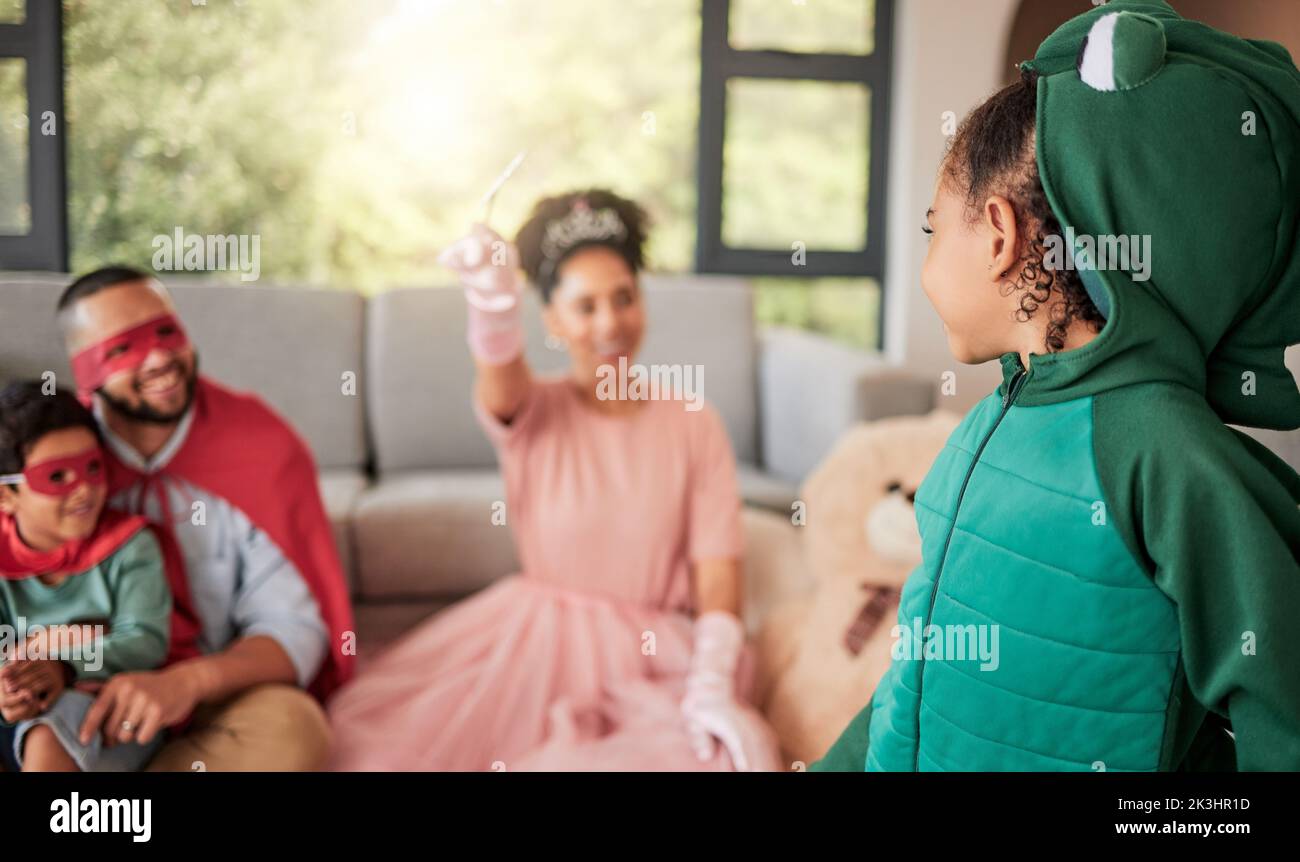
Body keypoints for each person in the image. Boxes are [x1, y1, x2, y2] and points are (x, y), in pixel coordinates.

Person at [815, 0, 1300, 771]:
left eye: (932, 229)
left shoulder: (1160, 452)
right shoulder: (986, 424)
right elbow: (921, 666)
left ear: (1000, 235)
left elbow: (1280, 700)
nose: (927, 260)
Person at [328, 189, 781, 771]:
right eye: (586, 306)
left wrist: (713, 678)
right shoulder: (532, 410)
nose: (610, 322)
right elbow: (501, 379)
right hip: (534, 646)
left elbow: (718, 569)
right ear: (553, 320)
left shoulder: (695, 422)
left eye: (624, 298)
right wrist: (492, 304)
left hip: (655, 655)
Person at [51, 267, 355, 771]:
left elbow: (292, 627)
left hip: (216, 693)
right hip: (83, 693)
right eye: (123, 349)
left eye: (166, 332)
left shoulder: (262, 446)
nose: (159, 358)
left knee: (293, 727)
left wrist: (185, 683)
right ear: (85, 374)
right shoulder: (61, 457)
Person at [0, 383, 196, 771]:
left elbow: (146, 639)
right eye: (56, 477)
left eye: (93, 467)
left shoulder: (130, 545)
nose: (84, 490)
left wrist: (64, 666)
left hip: (105, 709)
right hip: (11, 711)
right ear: (6, 497)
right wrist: (11, 690)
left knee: (51, 728)